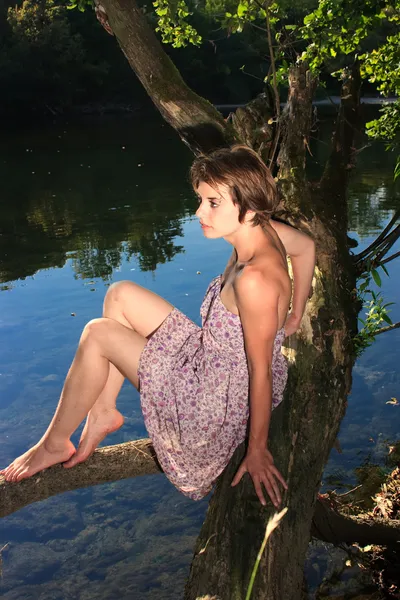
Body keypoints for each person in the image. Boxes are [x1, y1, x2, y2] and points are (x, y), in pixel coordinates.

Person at [1, 145, 315, 508]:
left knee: (96, 333)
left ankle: (55, 443)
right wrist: (295, 314)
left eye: (213, 203)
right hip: (211, 357)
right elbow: (306, 247)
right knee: (119, 294)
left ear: (249, 206)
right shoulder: (264, 229)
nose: (199, 212)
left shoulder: (255, 280)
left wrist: (257, 450)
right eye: (200, 199)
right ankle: (103, 411)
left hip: (213, 402)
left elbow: (260, 372)